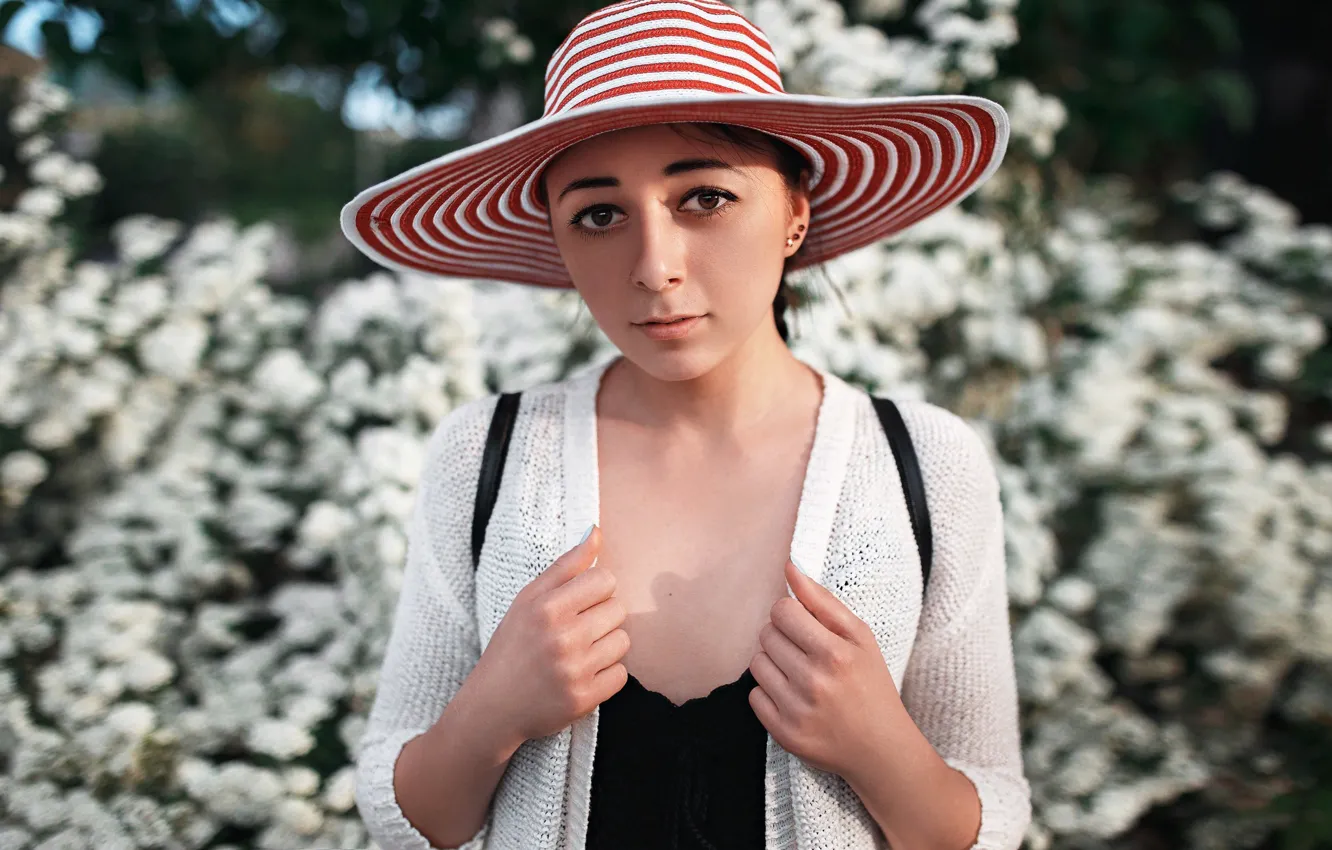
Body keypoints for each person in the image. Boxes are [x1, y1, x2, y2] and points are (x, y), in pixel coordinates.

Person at [340, 1, 1030, 848]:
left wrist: (882, 752)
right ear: (558, 241)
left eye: (704, 197)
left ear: (794, 213)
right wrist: (491, 711)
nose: (655, 267)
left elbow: (989, 813)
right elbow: (408, 816)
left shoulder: (924, 465)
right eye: (599, 214)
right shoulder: (485, 457)